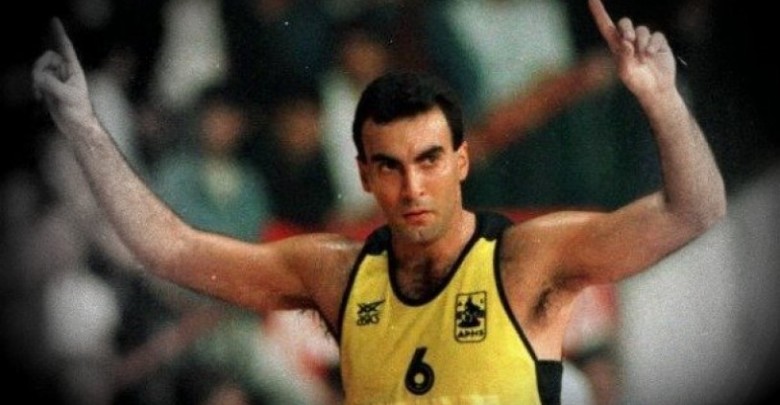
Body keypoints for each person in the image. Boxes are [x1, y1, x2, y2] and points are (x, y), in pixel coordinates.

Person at [32, 0, 726, 402]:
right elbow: (169, 250)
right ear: (363, 175)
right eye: (389, 166)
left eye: (429, 161)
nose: (412, 187)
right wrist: (84, 125)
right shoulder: (335, 274)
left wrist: (661, 99)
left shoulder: (528, 258)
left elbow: (694, 212)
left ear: (461, 161)